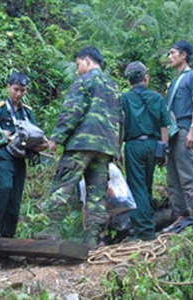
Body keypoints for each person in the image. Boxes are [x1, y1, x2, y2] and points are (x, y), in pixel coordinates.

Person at [34, 46, 122, 248]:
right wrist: (117, 148)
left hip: (81, 143)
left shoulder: (84, 80)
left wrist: (57, 138)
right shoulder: (113, 86)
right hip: (105, 147)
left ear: (88, 61)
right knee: (96, 194)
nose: (77, 69)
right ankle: (92, 237)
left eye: (78, 64)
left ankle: (53, 228)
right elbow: (120, 119)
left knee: (64, 184)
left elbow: (73, 110)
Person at [0, 72, 47, 240]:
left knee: (16, 194)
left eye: (22, 91)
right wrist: (5, 135)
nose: (18, 94)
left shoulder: (27, 112)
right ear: (8, 87)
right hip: (4, 153)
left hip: (22, 155)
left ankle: (7, 233)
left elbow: (36, 133)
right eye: (16, 89)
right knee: (5, 187)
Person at [121, 61, 171, 241]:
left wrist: (117, 149)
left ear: (130, 81)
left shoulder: (125, 99)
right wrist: (163, 149)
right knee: (146, 185)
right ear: (146, 78)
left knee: (137, 187)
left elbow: (121, 125)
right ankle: (143, 224)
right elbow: (165, 126)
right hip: (153, 145)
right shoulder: (157, 98)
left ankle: (144, 231)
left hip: (134, 145)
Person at [164, 40, 193, 232]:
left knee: (188, 173)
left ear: (183, 55)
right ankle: (181, 215)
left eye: (173, 53)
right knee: (173, 178)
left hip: (184, 130)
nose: (170, 57)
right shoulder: (174, 81)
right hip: (172, 133)